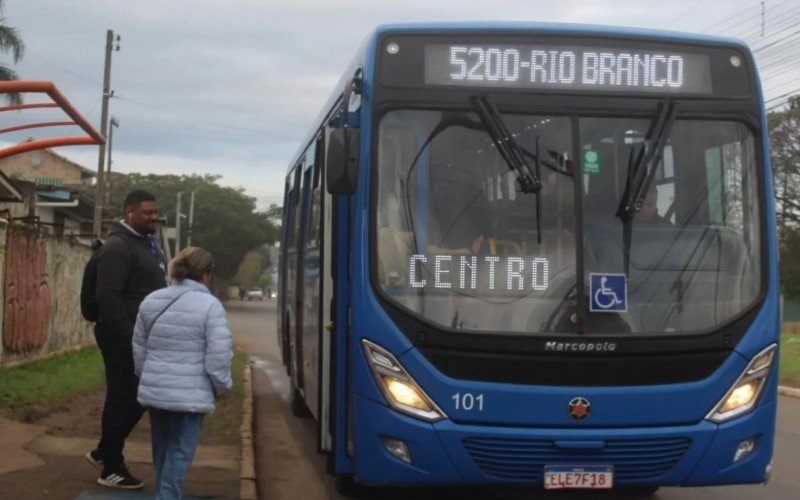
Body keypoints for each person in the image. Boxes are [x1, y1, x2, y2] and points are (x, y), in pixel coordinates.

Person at [132, 246, 233, 500]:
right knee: (179, 452)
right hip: (191, 396)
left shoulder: (152, 300)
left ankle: (164, 494)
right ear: (206, 274)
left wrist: (151, 377)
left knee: (162, 450)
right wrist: (222, 386)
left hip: (156, 391)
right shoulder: (211, 306)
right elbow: (218, 357)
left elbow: (139, 348)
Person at [86, 190, 167, 490]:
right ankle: (111, 467)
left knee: (133, 396)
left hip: (138, 336)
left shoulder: (144, 243)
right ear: (130, 211)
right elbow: (109, 298)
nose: (154, 218)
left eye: (156, 212)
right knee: (126, 397)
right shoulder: (118, 247)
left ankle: (104, 450)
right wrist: (130, 337)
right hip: (122, 336)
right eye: (148, 213)